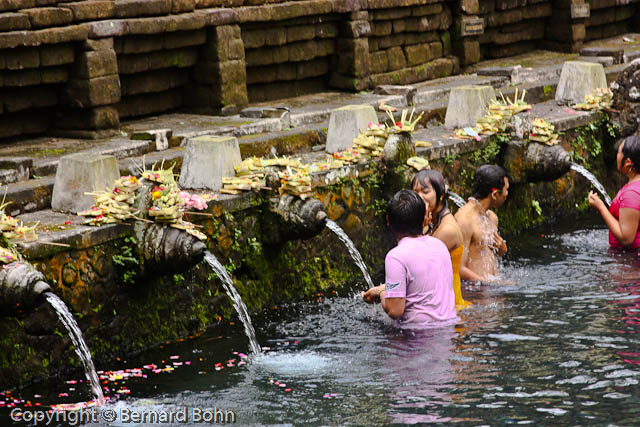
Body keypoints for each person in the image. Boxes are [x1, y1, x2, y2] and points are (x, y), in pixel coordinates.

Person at [362, 190, 458, 328]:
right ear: (424, 219)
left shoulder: (396, 256)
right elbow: (421, 288)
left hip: (417, 338)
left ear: (388, 221)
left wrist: (381, 292)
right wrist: (384, 288)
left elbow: (395, 310)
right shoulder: (439, 245)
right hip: (449, 332)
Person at [412, 169, 471, 310]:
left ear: (441, 195)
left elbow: (417, 264)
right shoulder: (433, 220)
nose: (419, 197)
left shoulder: (447, 230)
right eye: (415, 192)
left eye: (425, 192)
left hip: (449, 306)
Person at [454, 165, 509, 282]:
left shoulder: (492, 218)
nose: (507, 194)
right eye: (506, 190)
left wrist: (502, 250)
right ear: (494, 194)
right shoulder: (464, 220)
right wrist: (490, 284)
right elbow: (458, 268)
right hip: (473, 293)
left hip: (491, 289)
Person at [589, 135, 640, 249]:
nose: (617, 156)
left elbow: (626, 238)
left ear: (628, 162)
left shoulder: (632, 194)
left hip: (630, 263)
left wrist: (601, 207)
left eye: (619, 153)